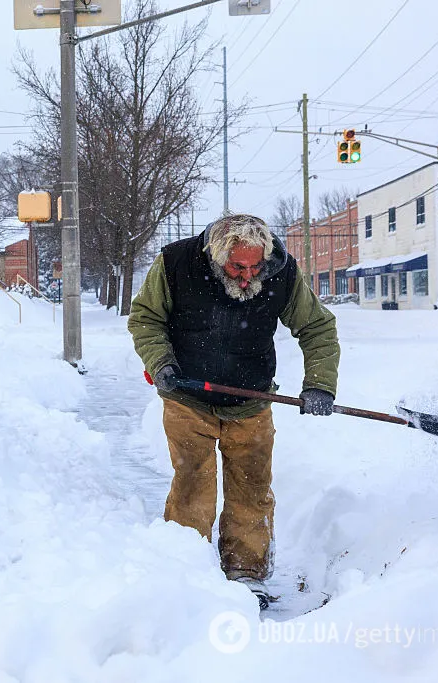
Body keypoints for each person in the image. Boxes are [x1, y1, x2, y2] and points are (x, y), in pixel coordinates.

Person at [127, 213, 340, 608]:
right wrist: (161, 364)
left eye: (256, 265)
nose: (248, 275)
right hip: (187, 395)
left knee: (251, 486)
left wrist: (319, 385)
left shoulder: (281, 273)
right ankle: (184, 570)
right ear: (215, 255)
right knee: (194, 481)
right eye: (237, 266)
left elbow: (317, 327)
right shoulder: (176, 263)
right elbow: (146, 318)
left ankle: (246, 572)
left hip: (252, 399)